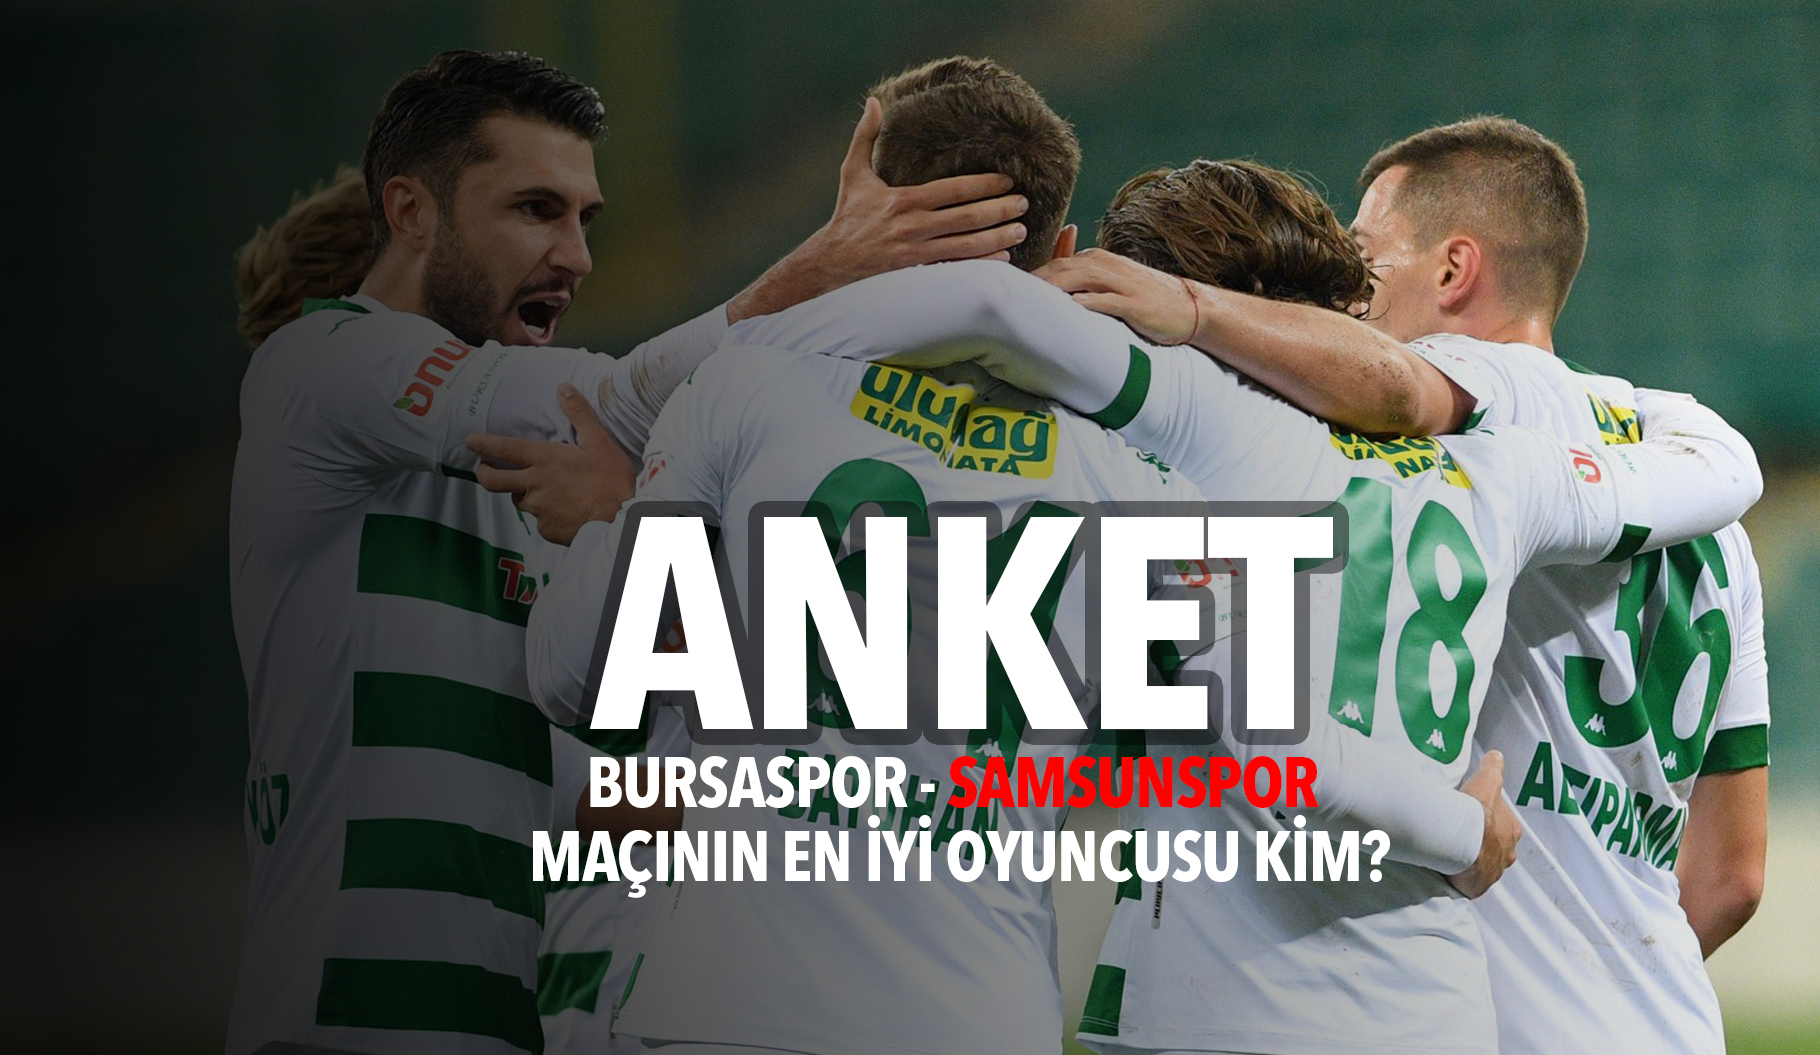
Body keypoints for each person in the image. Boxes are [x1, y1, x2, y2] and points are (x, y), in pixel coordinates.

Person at [519, 58, 1526, 1055]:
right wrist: (1461, 830)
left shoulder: (742, 389)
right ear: (1064, 253)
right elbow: (1285, 752)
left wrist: (621, 530)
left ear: (860, 216)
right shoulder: (1136, 480)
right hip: (979, 1012)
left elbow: (569, 674)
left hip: (727, 1005)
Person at [721, 155, 1761, 1054]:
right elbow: (1718, 469)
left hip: (1227, 999)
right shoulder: (1512, 470)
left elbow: (1279, 749)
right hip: (1444, 1000)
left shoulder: (1197, 430)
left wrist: (730, 346)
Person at [226, 47, 1031, 1055]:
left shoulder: (526, 500)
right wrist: (824, 275)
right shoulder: (312, 364)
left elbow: (582, 796)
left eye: (584, 219)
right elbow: (599, 402)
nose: (575, 255)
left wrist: (840, 778)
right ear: (411, 213)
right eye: (535, 209)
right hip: (343, 1025)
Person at [1038, 118, 1767, 1054]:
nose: (1350, 294)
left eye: (1367, 254)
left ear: (1454, 270)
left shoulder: (1464, 404)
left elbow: (1388, 388)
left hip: (1465, 1005)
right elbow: (1733, 876)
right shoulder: (1691, 492)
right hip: (1662, 1021)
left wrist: (1189, 311)